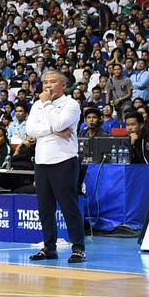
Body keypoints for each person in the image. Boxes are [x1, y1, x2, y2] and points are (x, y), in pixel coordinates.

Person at [26, 70, 86, 263]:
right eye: (45, 82)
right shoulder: (37, 104)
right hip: (42, 161)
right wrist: (55, 130)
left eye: (52, 82)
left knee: (69, 206)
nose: (48, 86)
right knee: (45, 208)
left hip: (64, 160)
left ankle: (78, 248)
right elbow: (30, 129)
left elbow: (60, 121)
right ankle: (49, 247)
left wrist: (47, 105)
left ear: (64, 85)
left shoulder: (71, 104)